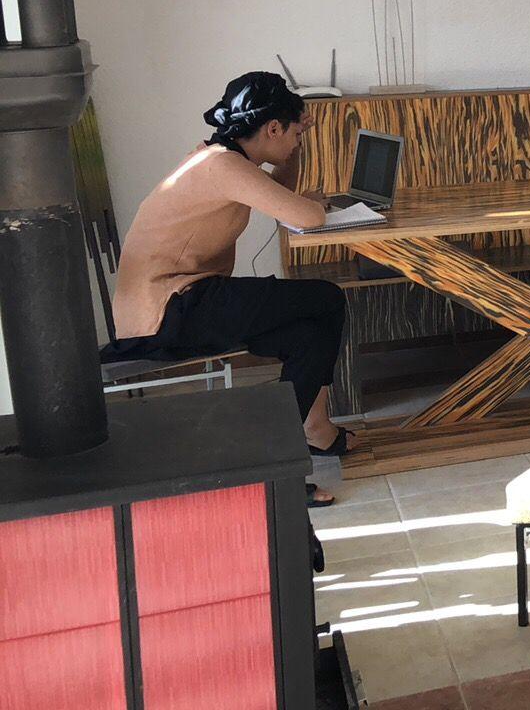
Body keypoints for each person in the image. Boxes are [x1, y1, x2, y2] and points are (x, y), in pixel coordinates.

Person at [104, 71, 357, 501]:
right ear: (272, 128)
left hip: (181, 301)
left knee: (308, 335)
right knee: (327, 298)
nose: (298, 141)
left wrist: (295, 157)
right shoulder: (223, 166)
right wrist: (310, 203)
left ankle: (308, 434)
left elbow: (282, 196)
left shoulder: (220, 158)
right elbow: (306, 216)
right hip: (170, 309)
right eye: (296, 133)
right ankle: (286, 454)